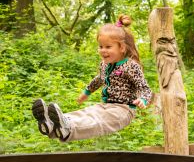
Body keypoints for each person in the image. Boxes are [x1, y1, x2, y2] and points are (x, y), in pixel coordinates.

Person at [32, 14, 152, 142]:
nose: (103, 50)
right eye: (100, 46)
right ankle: (52, 124)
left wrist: (143, 99)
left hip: (123, 110)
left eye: (108, 47)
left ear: (121, 48)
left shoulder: (131, 66)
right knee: (87, 113)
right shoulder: (105, 65)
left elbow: (143, 87)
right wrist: (87, 91)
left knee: (96, 121)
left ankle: (68, 128)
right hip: (105, 106)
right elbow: (99, 79)